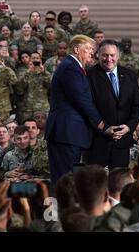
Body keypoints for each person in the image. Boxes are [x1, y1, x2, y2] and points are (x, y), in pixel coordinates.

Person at [45, 35, 107, 184]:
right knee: (65, 179)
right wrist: (99, 122)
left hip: (69, 133)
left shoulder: (73, 67)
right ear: (76, 49)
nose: (92, 53)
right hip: (66, 132)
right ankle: (64, 207)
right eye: (89, 49)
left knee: (68, 179)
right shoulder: (70, 68)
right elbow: (81, 99)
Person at [85, 39, 139, 170]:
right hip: (97, 142)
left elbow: (137, 105)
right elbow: (88, 108)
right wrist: (105, 128)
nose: (109, 59)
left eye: (112, 55)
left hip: (122, 142)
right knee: (94, 185)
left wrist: (128, 127)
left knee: (120, 184)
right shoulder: (89, 76)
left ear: (118, 56)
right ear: (98, 55)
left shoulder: (130, 75)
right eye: (105, 55)